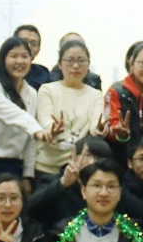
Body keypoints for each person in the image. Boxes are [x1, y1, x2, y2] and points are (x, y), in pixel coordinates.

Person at [0, 36, 59, 190]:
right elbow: (15, 115)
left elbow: (29, 139)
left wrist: (28, 175)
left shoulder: (31, 93)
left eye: (24, 56)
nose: (19, 61)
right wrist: (39, 132)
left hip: (16, 166)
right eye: (13, 56)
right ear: (3, 60)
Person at [34, 38, 105, 183]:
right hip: (47, 167)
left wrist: (99, 128)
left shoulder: (95, 94)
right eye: (70, 60)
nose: (76, 66)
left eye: (81, 61)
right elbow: (44, 118)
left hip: (78, 168)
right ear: (60, 64)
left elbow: (96, 123)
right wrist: (51, 129)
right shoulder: (47, 89)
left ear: (88, 64)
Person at [25, 137, 111, 227]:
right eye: (87, 156)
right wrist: (62, 184)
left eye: (98, 158)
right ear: (72, 157)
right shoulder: (52, 181)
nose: (92, 162)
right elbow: (29, 208)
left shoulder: (108, 189)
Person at [0, 25, 52, 89]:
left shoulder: (43, 76)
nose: (29, 47)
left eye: (33, 44)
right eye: (24, 41)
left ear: (38, 51)